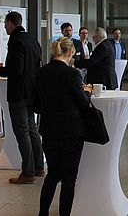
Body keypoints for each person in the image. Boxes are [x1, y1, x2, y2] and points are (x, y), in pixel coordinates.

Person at [35, 37, 91, 216]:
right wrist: (87, 92)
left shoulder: (42, 72)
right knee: (69, 179)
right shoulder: (73, 74)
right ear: (71, 52)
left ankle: (43, 213)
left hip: (49, 129)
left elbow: (36, 105)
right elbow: (83, 103)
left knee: (52, 175)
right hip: (71, 131)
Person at [0, 11, 44, 184]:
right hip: (32, 92)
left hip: (19, 95)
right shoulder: (32, 40)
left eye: (5, 24)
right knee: (32, 129)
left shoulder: (16, 41)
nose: (5, 28)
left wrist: (0, 69)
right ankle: (39, 167)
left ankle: (28, 172)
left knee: (22, 132)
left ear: (10, 23)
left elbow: (16, 70)